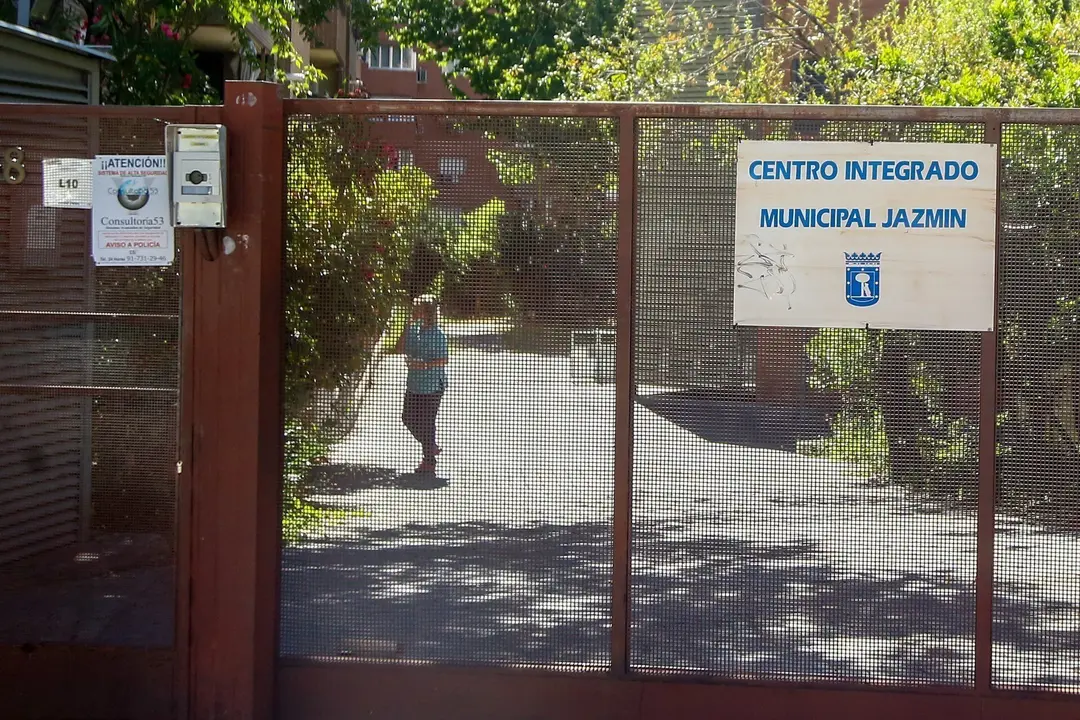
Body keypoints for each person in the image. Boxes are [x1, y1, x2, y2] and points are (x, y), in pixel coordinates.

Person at [395, 294, 448, 474]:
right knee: (408, 417)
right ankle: (430, 445)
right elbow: (399, 349)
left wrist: (425, 364)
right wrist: (407, 326)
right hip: (414, 383)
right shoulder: (414, 330)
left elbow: (444, 359)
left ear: (427, 312)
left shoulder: (438, 334)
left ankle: (429, 461)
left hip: (432, 385)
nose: (415, 311)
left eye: (418, 308)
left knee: (427, 422)